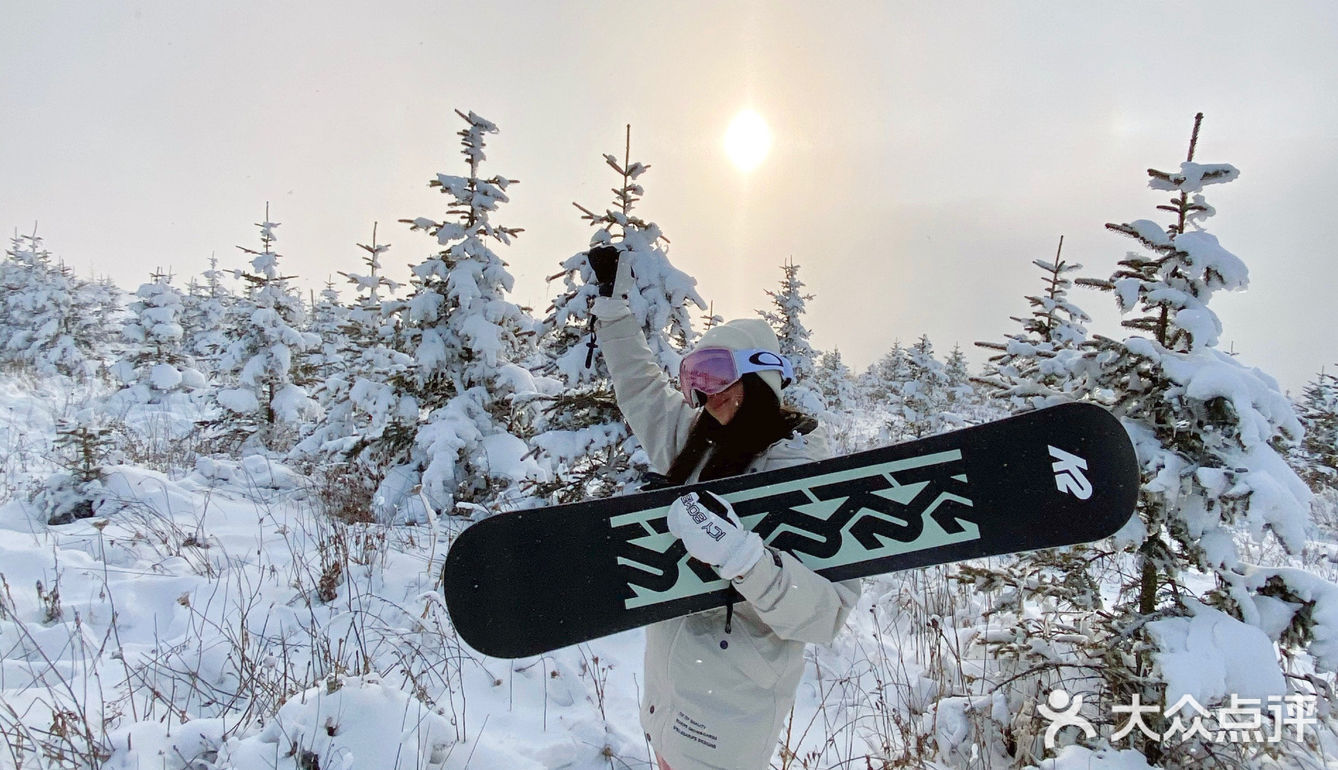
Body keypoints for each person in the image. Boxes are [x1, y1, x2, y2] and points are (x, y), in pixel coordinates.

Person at [587, 245, 861, 770]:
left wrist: (743, 559)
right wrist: (615, 314)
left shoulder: (801, 471)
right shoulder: (695, 447)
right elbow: (641, 387)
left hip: (730, 718)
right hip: (670, 699)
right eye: (695, 379)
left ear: (760, 376)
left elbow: (825, 615)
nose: (705, 394)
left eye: (715, 374)